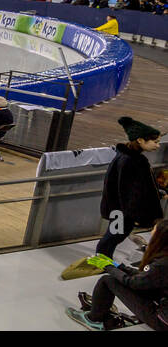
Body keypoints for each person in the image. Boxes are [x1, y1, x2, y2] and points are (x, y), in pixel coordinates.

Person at [67, 219, 168, 331]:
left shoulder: (162, 264)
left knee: (108, 280)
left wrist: (108, 267)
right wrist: (119, 266)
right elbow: (147, 277)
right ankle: (100, 309)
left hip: (163, 323)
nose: (152, 230)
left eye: (154, 229)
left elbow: (133, 282)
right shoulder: (163, 260)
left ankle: (94, 320)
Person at [93, 117, 164, 260]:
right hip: (121, 211)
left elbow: (143, 184)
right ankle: (100, 260)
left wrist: (159, 193)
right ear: (140, 140)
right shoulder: (128, 161)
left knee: (117, 234)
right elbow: (126, 190)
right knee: (113, 236)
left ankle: (102, 259)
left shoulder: (134, 159)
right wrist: (133, 214)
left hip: (124, 210)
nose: (158, 146)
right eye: (155, 142)